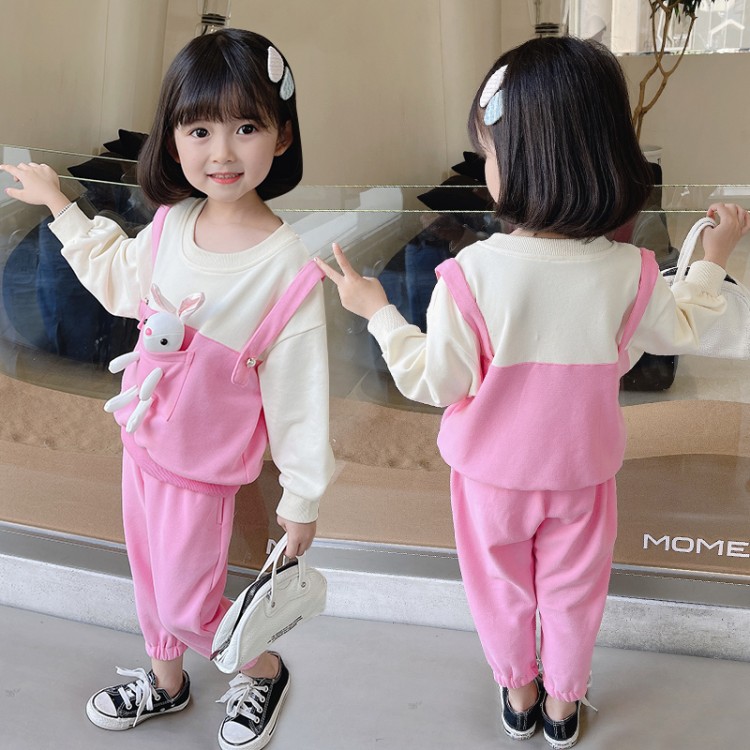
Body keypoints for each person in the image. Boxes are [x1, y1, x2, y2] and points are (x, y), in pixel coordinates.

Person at [316, 36, 750, 749]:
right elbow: (687, 325)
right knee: (576, 595)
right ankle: (562, 707)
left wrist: (378, 312)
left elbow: (435, 381)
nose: (485, 167)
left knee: (499, 589)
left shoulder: (470, 273)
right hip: (583, 476)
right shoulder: (630, 270)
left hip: (489, 479)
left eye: (487, 152)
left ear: (520, 161)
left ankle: (519, 694)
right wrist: (713, 257)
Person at [1, 28, 333, 750]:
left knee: (188, 600)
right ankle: (166, 681)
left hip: (202, 471)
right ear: (173, 139)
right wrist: (59, 204)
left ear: (281, 136)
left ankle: (261, 667)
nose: (222, 152)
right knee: (151, 585)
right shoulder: (170, 226)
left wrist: (302, 498)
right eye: (200, 129)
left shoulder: (287, 270)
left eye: (247, 128)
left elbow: (301, 399)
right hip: (143, 446)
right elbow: (115, 280)